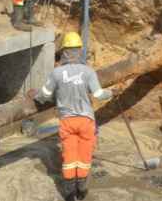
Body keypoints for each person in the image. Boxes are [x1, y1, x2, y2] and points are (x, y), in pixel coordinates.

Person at [28, 32, 113, 201]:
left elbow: (44, 95)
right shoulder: (88, 72)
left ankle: (68, 194)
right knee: (84, 156)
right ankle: (81, 191)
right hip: (86, 121)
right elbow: (98, 94)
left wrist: (34, 94)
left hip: (67, 121)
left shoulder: (57, 73)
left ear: (64, 51)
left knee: (69, 157)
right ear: (79, 50)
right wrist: (111, 92)